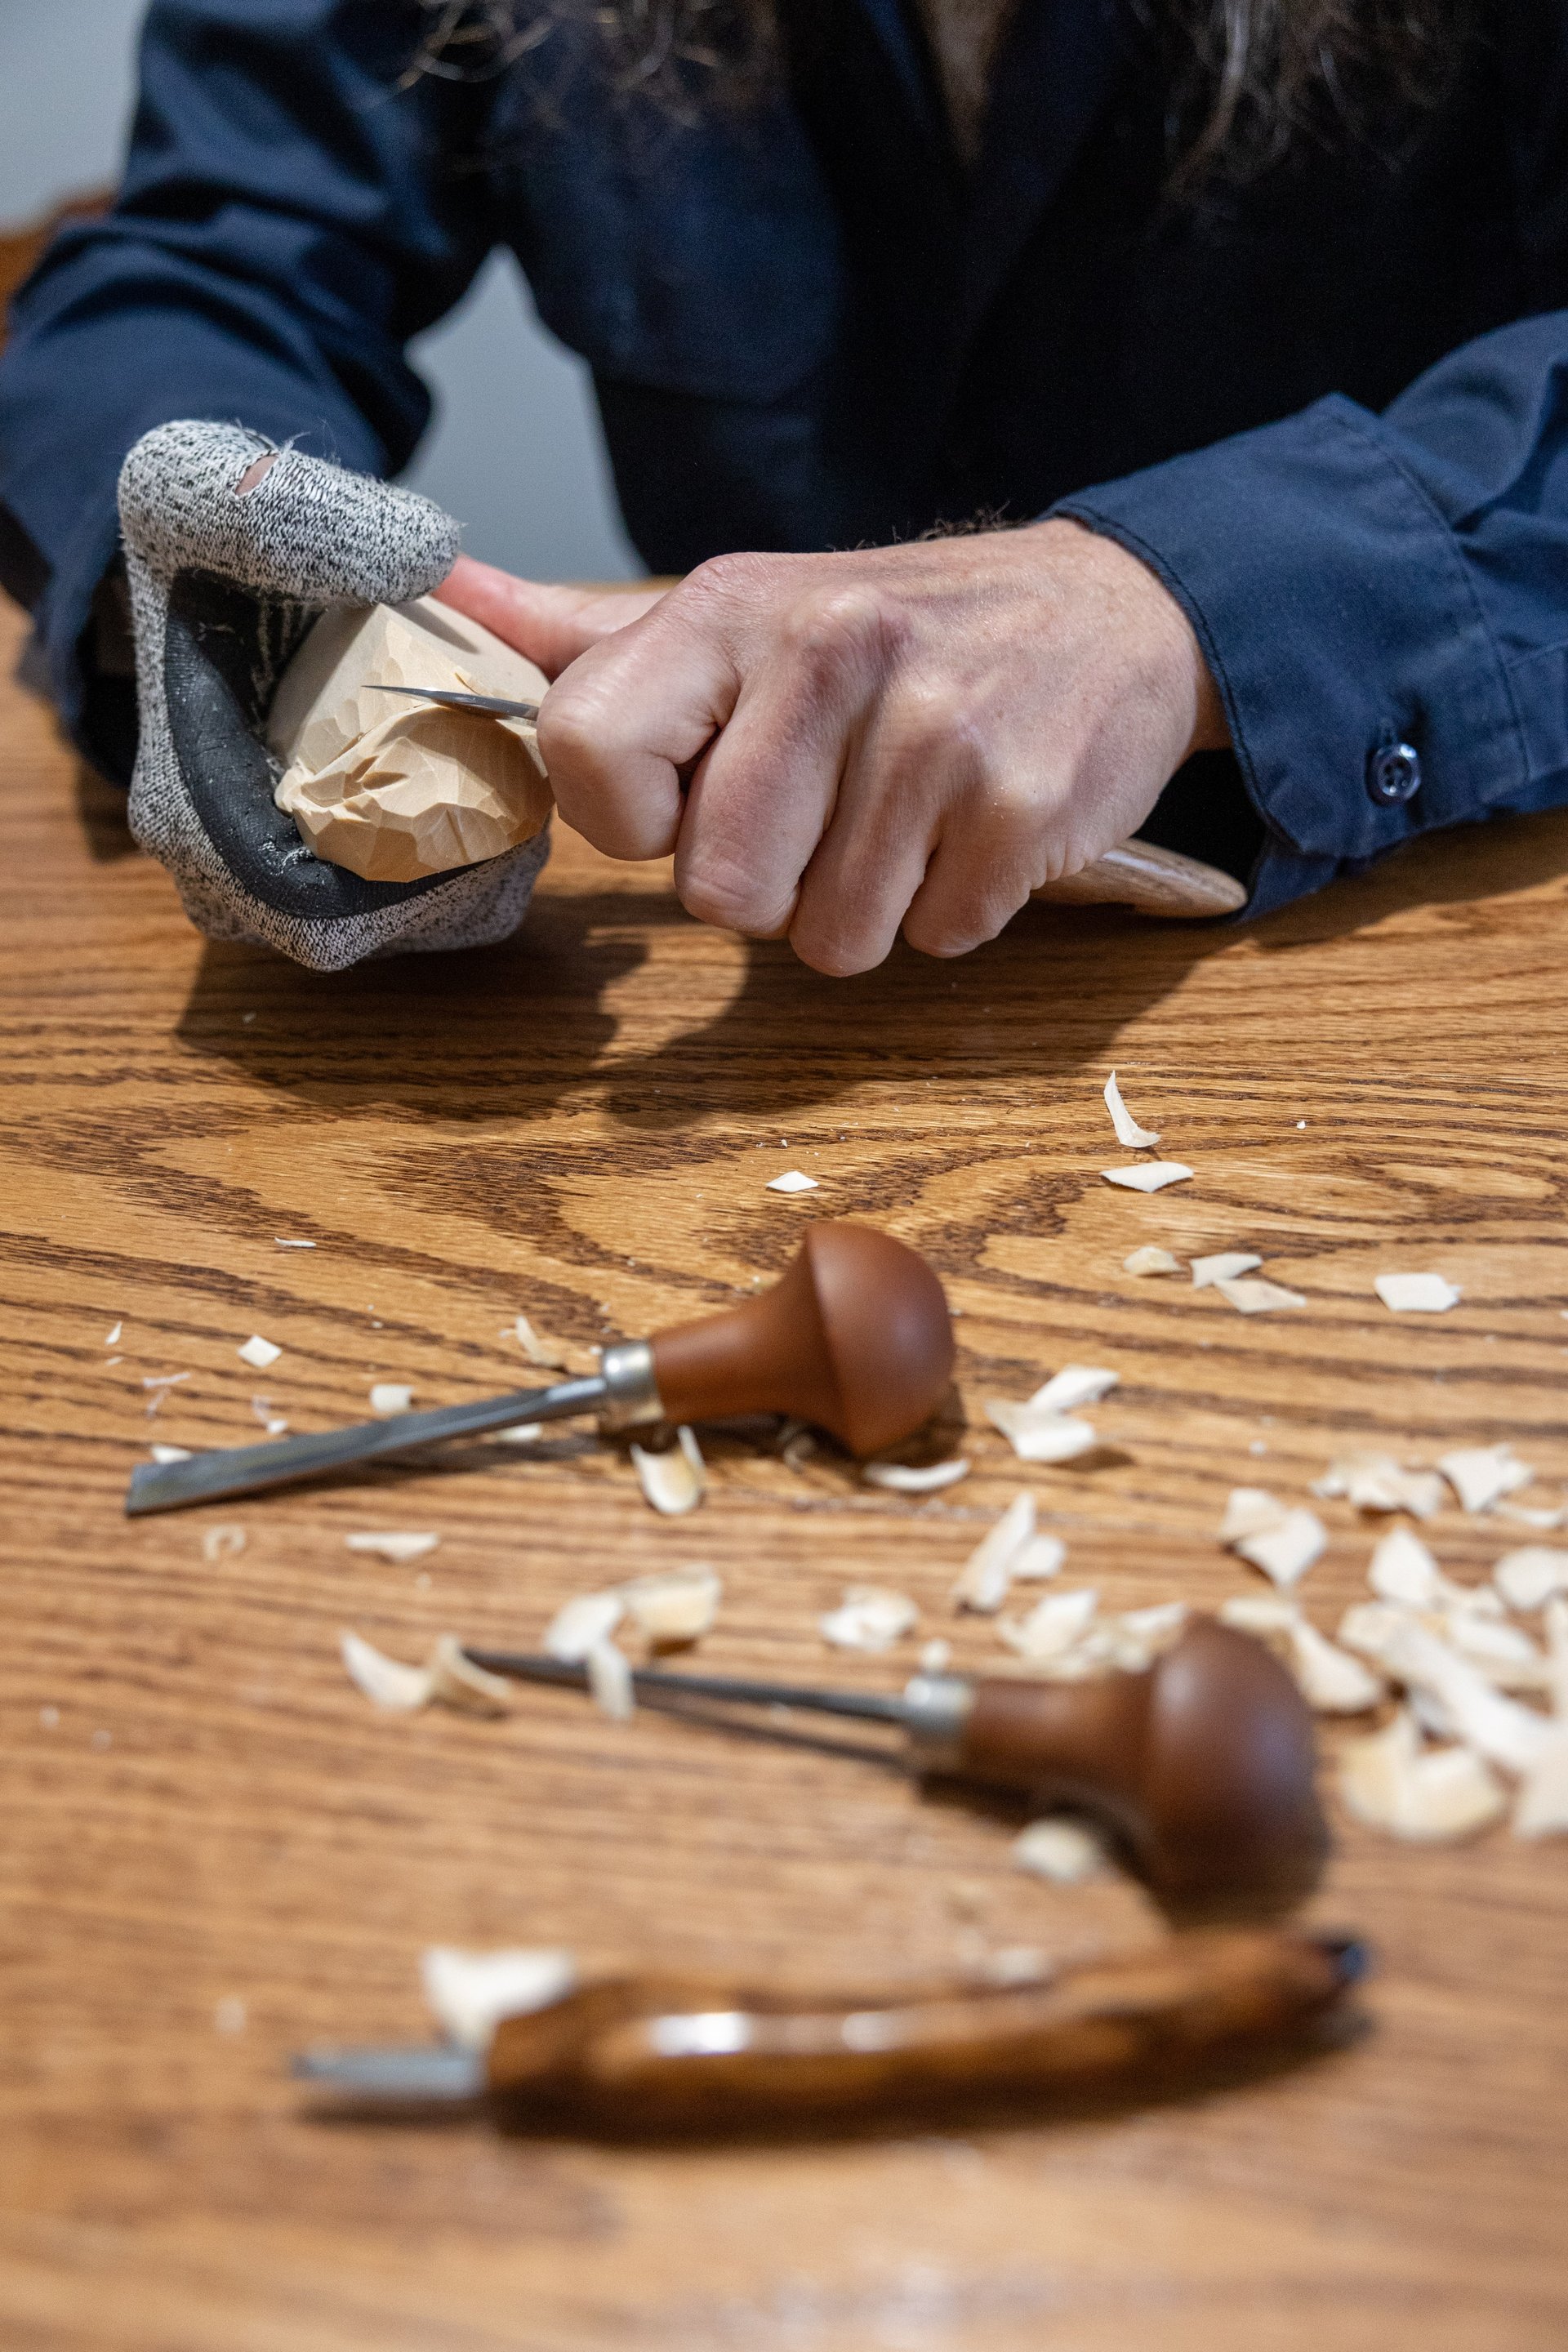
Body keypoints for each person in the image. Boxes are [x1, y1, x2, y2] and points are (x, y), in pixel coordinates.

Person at [1, 0, 1565, 973]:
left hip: (1407, 938)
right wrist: (219, 582)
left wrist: (1196, 593)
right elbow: (204, 266)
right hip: (749, 956)